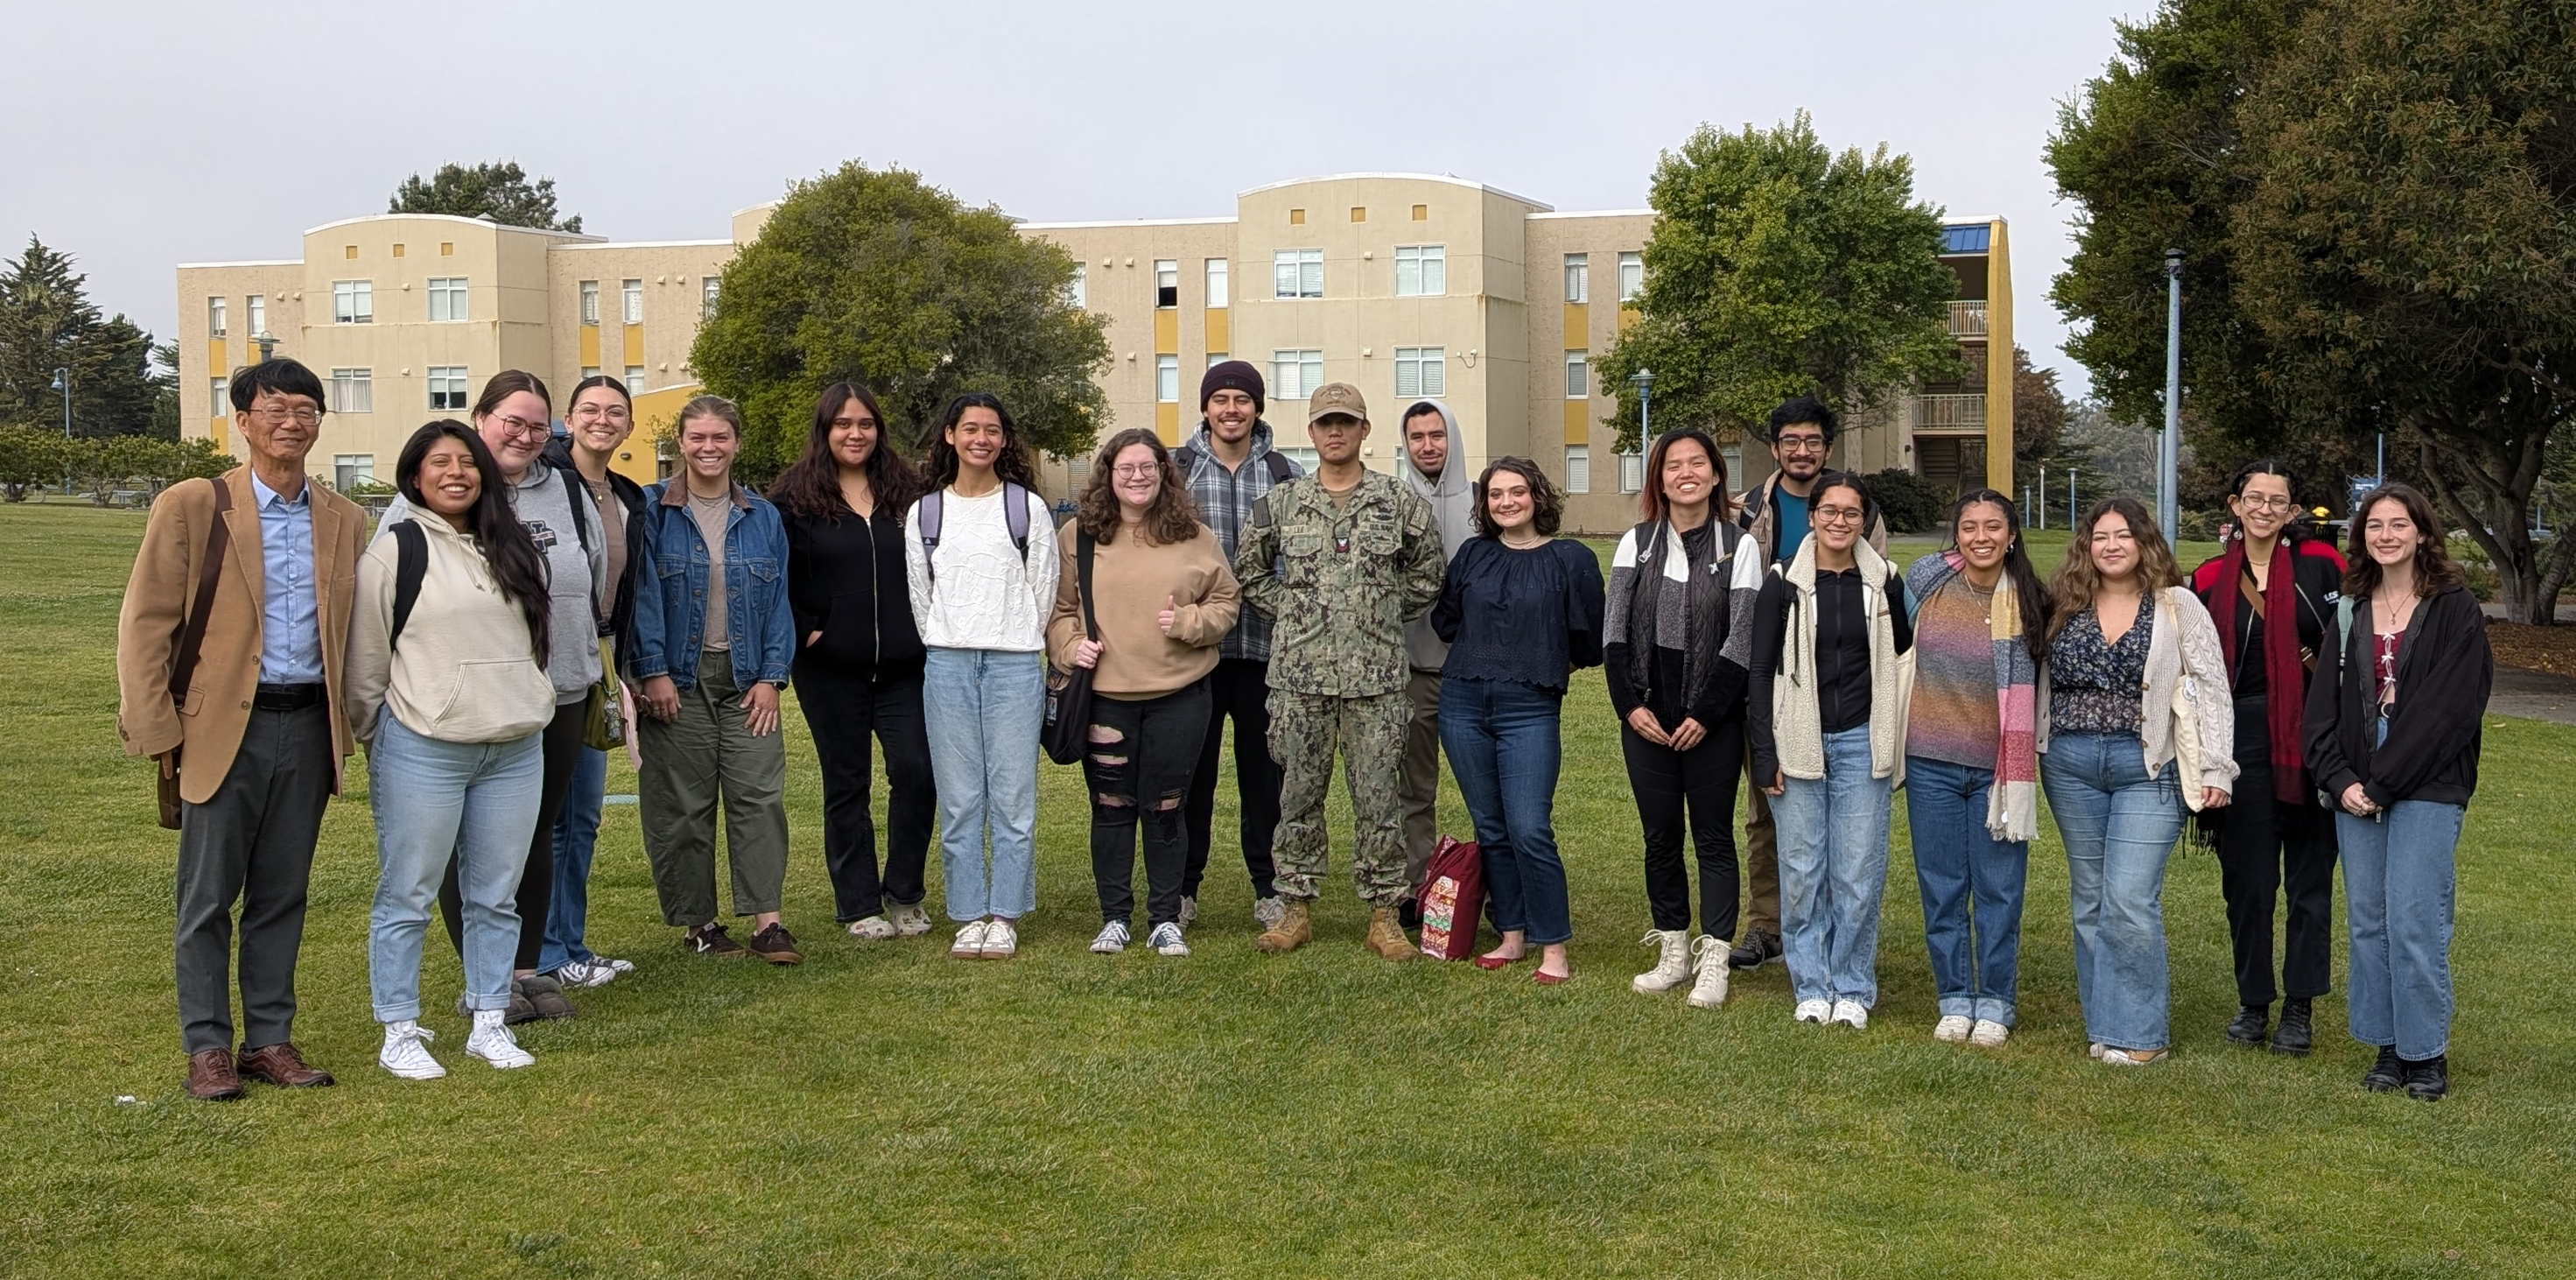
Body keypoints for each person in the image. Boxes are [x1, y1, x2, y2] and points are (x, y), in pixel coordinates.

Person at [116, 358, 366, 1100]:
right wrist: (159, 728)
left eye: (307, 410)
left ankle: (269, 1039)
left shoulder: (344, 517)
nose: (293, 422)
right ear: (245, 419)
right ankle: (207, 1047)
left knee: (282, 894)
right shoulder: (195, 504)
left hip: (308, 726)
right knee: (207, 896)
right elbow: (146, 622)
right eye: (277, 408)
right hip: (220, 730)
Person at [378, 370, 604, 1023]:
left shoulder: (564, 487)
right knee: (463, 844)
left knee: (532, 836)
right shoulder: (436, 492)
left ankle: (525, 971)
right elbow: (391, 589)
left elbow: (593, 576)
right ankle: (488, 981)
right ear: (481, 419)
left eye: (538, 426)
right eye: (513, 421)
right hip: (463, 699)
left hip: (555, 693)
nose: (526, 436)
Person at [347, 422, 559, 1077]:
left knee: (496, 897)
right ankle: (400, 1030)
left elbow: (536, 641)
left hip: (516, 747)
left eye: (467, 462)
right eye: (439, 462)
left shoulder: (513, 545)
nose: (455, 473)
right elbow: (365, 664)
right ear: (415, 476)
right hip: (424, 750)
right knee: (407, 894)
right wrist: (378, 738)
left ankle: (489, 1019)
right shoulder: (394, 551)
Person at [1234, 382, 1445, 958]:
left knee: (1379, 799)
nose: (1335, 432)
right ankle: (1295, 908)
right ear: (1310, 433)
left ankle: (1382, 915)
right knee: (1298, 796)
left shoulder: (1396, 501)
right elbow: (1248, 568)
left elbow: (1428, 570)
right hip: (1299, 678)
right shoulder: (1283, 502)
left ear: (1364, 431)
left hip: (1375, 680)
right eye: (1325, 423)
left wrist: (1375, 611)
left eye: (1346, 422)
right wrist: (1298, 611)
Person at [2306, 484, 2491, 1101]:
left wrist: (2384, 783)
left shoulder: (2454, 608)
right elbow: (2321, 711)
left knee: (2414, 917)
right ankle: (2386, 1046)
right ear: (2361, 537)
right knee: (2368, 922)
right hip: (2356, 782)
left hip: (2427, 779)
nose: (2385, 535)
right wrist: (2341, 781)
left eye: (2398, 524)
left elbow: (2448, 710)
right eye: (2374, 525)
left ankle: (2424, 1053)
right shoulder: (2350, 606)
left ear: (2421, 532)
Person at [2041, 497, 2236, 1065]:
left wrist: (2216, 766)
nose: (2110, 546)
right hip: (2069, 764)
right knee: (2090, 899)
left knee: (2129, 897)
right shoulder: (2064, 602)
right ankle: (2105, 1025)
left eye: (2122, 535)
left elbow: (2211, 685)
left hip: (2147, 766)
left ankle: (2141, 1034)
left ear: (2143, 542)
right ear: (2086, 546)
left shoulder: (2177, 606)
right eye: (2099, 536)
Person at [1048, 428, 1240, 957]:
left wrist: (1189, 621)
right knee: (1111, 805)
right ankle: (1115, 918)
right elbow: (1059, 612)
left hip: (1179, 696)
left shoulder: (1194, 535)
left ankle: (1165, 917)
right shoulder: (1078, 536)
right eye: (1125, 468)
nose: (1137, 477)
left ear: (1164, 474)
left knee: (1166, 807)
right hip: (1106, 697)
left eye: (1148, 468)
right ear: (1108, 475)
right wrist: (1069, 647)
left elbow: (1227, 602)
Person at [627, 396, 804, 965]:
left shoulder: (762, 516)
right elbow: (644, 598)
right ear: (680, 441)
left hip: (747, 678)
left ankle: (768, 923)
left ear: (736, 443)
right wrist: (652, 671)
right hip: (678, 679)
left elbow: (780, 600)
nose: (708, 448)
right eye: (697, 437)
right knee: (682, 805)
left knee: (759, 798)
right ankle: (699, 923)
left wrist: (772, 678)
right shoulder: (652, 510)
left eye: (719, 438)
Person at [2188, 460, 2347, 1055]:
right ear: (2234, 504)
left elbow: (2347, 643)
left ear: (2291, 511)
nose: (2263, 509)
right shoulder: (2205, 579)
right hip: (2237, 734)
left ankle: (2299, 1006)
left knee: (2309, 879)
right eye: (2252, 498)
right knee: (2247, 881)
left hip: (2312, 733)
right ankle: (2253, 1001)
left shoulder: (2323, 566)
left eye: (2275, 501)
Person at [1748, 472, 1914, 1029]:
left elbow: (1906, 666)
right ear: (1812, 516)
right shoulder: (1783, 584)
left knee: (1857, 874)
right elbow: (1758, 673)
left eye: (1852, 512)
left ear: (1865, 520)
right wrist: (1764, 753)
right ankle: (1812, 985)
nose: (1840, 521)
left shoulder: (1886, 583)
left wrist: (1899, 740)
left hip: (1862, 743)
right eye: (1829, 511)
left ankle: (1853, 986)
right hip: (1796, 742)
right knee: (1801, 870)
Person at [773, 383, 937, 941]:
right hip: (830, 669)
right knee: (847, 785)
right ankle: (858, 903)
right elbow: (774, 579)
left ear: (878, 430)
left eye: (865, 423)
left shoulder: (909, 494)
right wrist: (806, 632)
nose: (855, 433)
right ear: (825, 430)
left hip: (904, 667)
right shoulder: (793, 499)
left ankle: (905, 891)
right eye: (843, 424)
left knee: (917, 774)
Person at [1730, 397, 1889, 972]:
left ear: (1827, 447)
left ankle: (1829, 935)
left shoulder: (1859, 510)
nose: (1801, 451)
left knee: (1843, 828)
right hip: (1766, 681)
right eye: (1790, 441)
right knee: (1766, 807)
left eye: (1813, 442)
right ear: (1774, 448)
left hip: (1842, 690)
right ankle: (1767, 925)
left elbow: (1879, 600)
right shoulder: (1746, 510)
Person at [1604, 428, 1763, 1006]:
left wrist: (1706, 712)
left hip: (1711, 720)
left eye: (1697, 463)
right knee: (1660, 835)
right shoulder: (1636, 543)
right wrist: (1631, 707)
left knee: (1713, 837)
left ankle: (1714, 957)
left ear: (1716, 474)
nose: (1686, 473)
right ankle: (1673, 948)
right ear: (1659, 478)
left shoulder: (1736, 545)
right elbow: (1613, 636)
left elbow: (1741, 638)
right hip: (1646, 716)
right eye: (1673, 465)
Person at [1430, 457, 1604, 983]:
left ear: (1538, 496)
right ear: (1485, 504)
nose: (1507, 502)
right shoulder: (1473, 554)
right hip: (1462, 703)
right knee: (1491, 828)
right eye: (1496, 494)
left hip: (1529, 708)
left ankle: (1553, 947)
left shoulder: (1571, 559)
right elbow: (1445, 621)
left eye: (1517, 492)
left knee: (1530, 828)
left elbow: (1589, 640)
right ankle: (1511, 934)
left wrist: (1543, 659)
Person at [904, 393, 1060, 960]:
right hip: (946, 664)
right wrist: (952, 639)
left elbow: (1041, 590)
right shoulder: (926, 513)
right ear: (949, 436)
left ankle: (1005, 913)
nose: (980, 439)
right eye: (969, 429)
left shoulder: (1026, 509)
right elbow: (922, 598)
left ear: (1004, 440)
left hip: (1014, 663)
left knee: (1013, 799)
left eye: (992, 430)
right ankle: (969, 912)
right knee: (960, 798)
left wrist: (1013, 636)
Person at [1903, 489, 2052, 1046]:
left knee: (1998, 889)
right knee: (1941, 886)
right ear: (1957, 533)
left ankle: (1995, 999)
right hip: (1931, 764)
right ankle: (1953, 996)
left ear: (2012, 535)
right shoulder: (1925, 581)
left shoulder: (2035, 599)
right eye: (1969, 526)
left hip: (1999, 769)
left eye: (1994, 527)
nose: (1981, 537)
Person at [1172, 361, 1302, 930]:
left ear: (1256, 407)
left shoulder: (1284, 473)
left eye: (1241, 400)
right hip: (1189, 656)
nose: (1230, 409)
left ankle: (1268, 888)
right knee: (1188, 777)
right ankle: (1181, 887)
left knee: (1264, 779)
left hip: (1263, 654)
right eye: (1220, 399)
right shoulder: (1174, 471)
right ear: (1205, 407)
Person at [537, 375, 649, 989]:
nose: (601, 420)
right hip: (552, 666)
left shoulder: (628, 496)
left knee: (582, 816)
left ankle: (570, 943)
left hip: (601, 661)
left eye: (614, 412)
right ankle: (549, 953)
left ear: (629, 426)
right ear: (568, 419)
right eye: (589, 410)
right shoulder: (547, 483)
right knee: (554, 816)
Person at [1396, 398, 1476, 926]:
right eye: (1417, 437)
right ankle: (1417, 887)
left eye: (1437, 435)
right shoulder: (1391, 502)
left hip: (1475, 672)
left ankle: (1490, 889)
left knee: (1485, 790)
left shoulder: (1486, 501)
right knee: (1413, 788)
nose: (1428, 446)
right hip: (1412, 671)